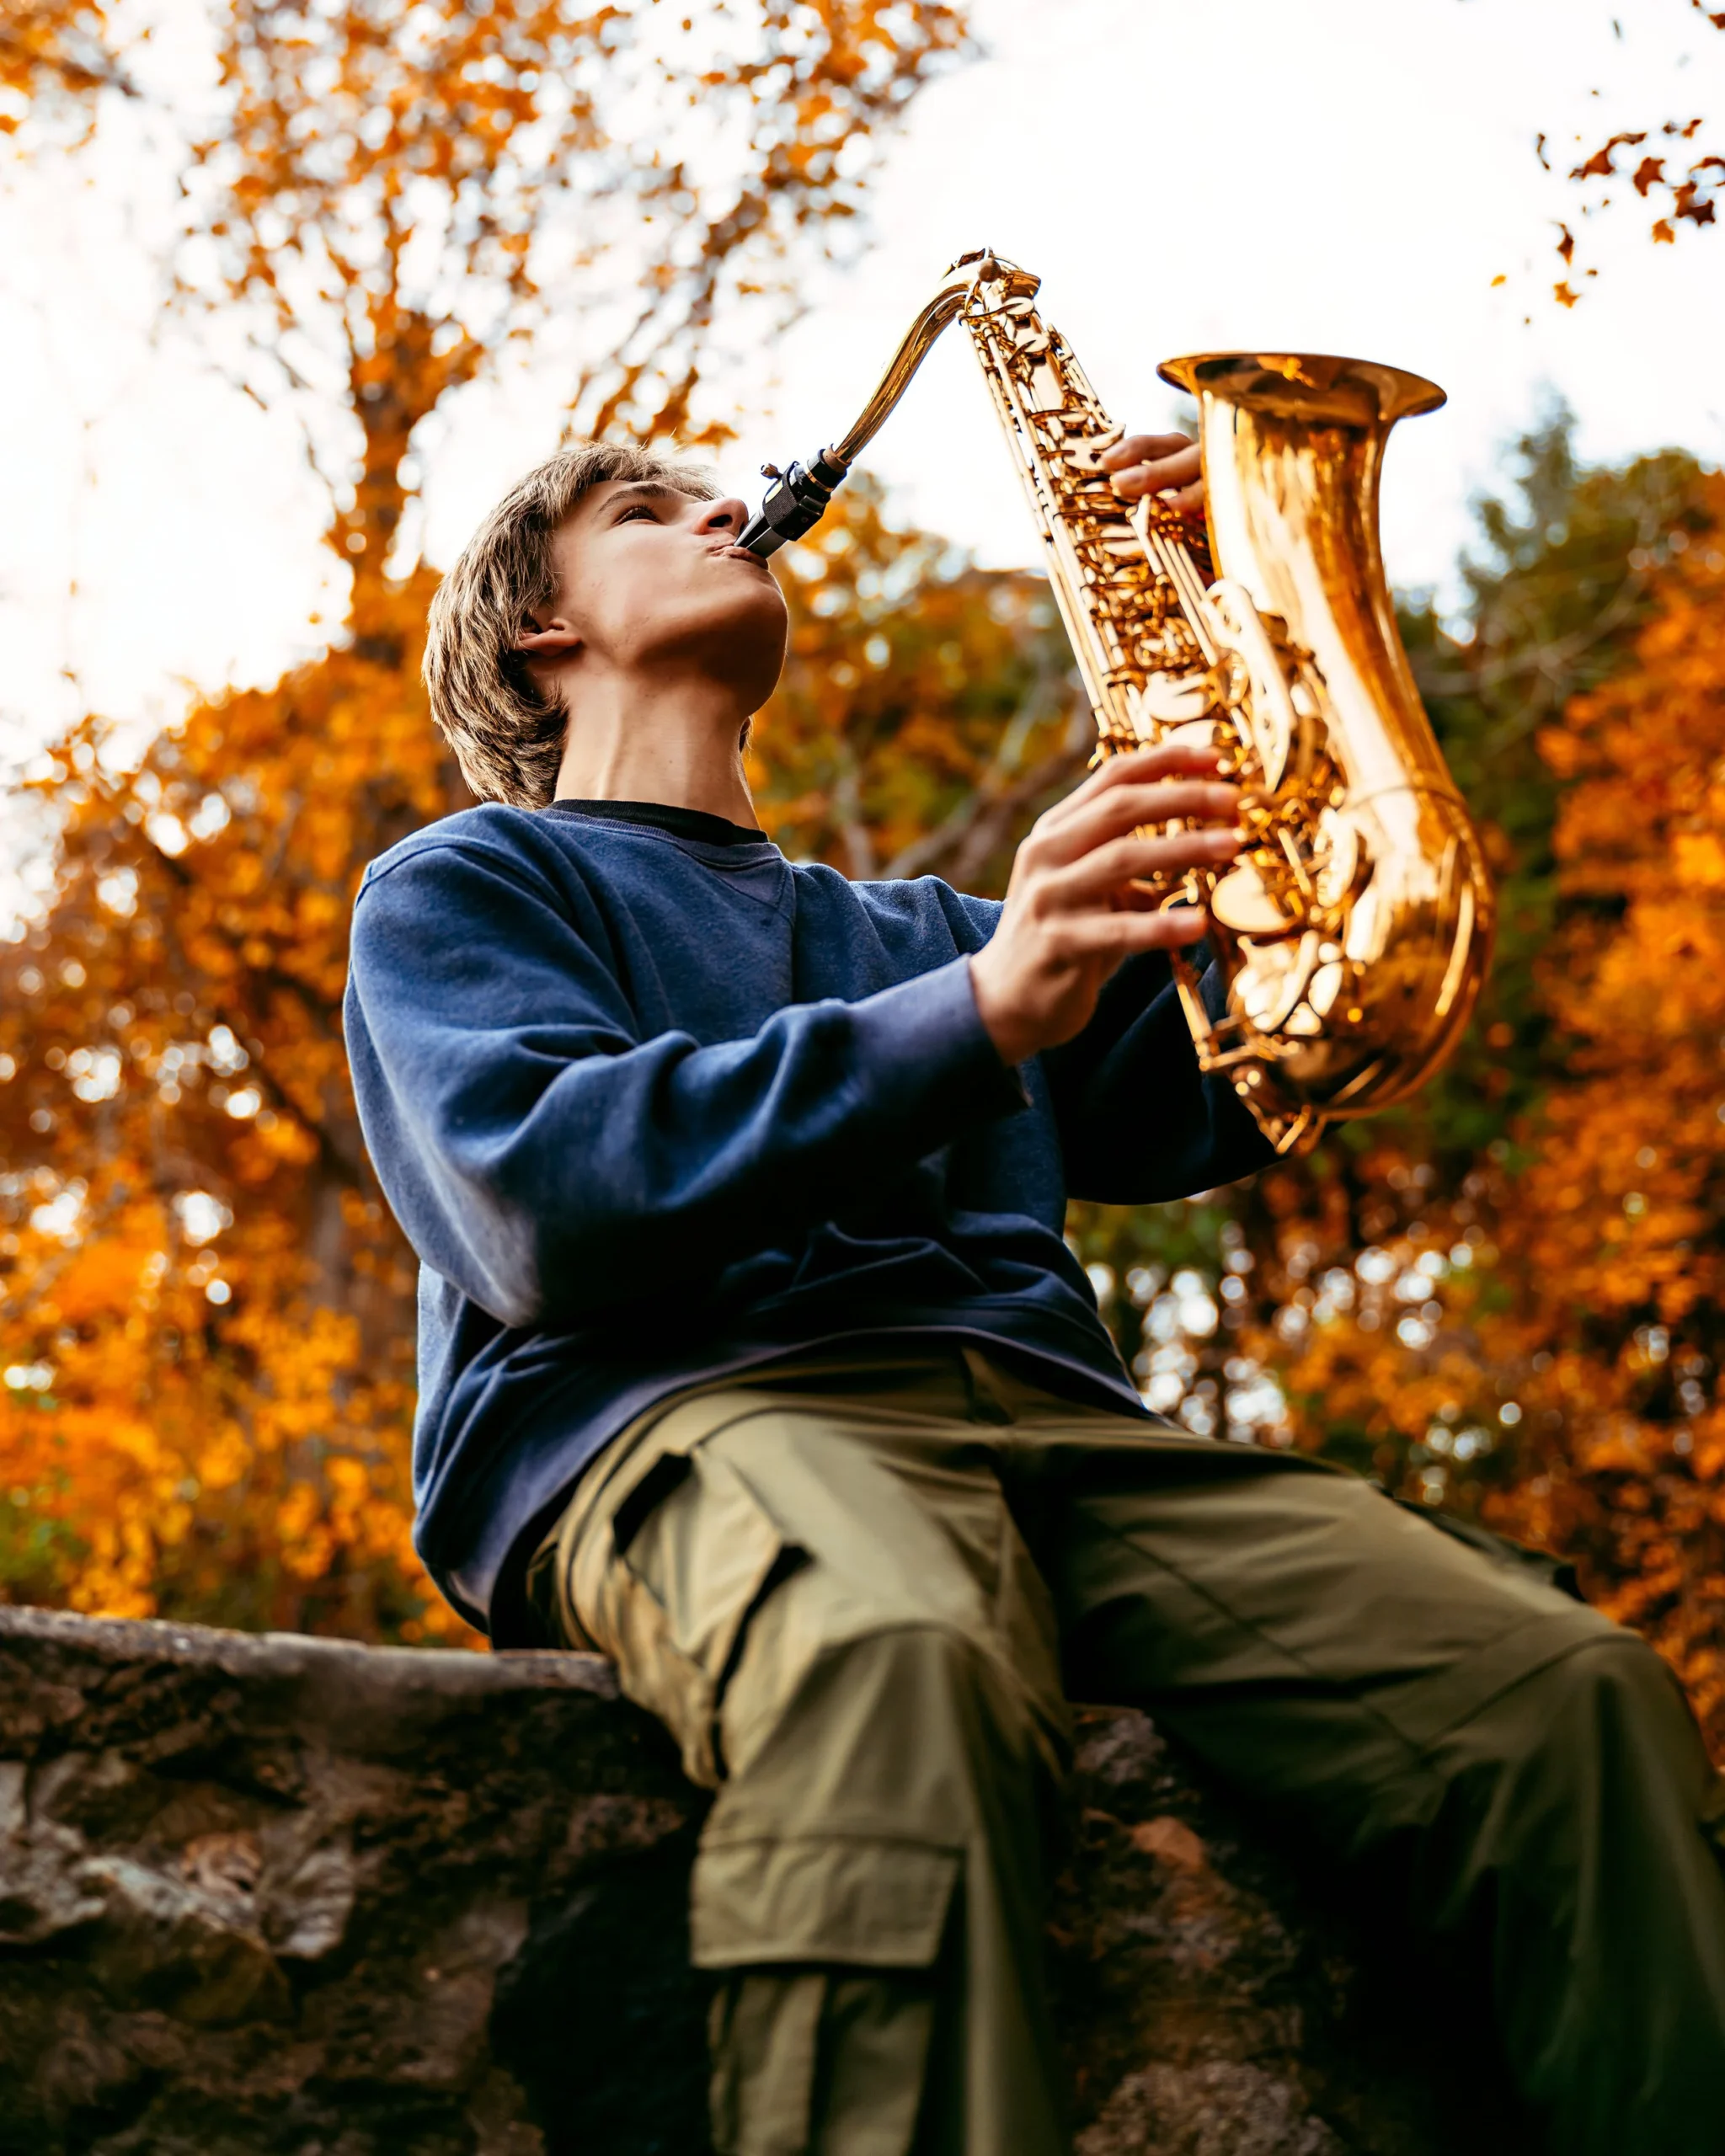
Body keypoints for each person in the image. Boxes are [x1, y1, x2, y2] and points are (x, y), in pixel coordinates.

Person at [342, 432, 1725, 2156]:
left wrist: (1262, 613)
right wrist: (981, 1007)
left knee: (1568, 1698)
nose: (724, 508)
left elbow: (1302, 1027)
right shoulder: (470, 882)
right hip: (684, 1410)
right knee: (892, 1654)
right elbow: (540, 1201)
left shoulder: (935, 923)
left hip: (1065, 1435)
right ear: (541, 626)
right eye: (645, 510)